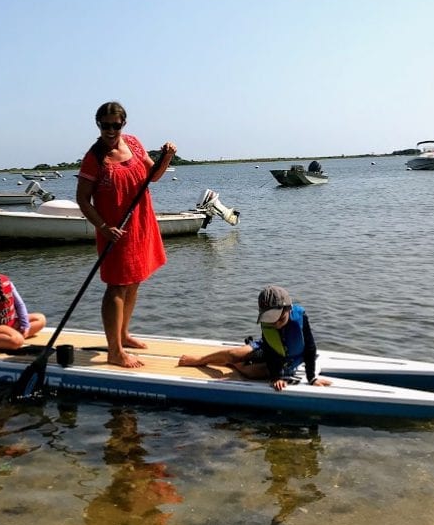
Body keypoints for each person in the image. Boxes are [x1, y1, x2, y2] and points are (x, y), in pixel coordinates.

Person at [76, 101, 176, 368]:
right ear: (98, 125)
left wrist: (166, 158)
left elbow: (152, 176)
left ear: (124, 124)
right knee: (117, 286)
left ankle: (123, 334)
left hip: (140, 223)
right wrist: (104, 228)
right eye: (105, 125)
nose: (110, 130)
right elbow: (83, 200)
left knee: (134, 281)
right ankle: (115, 351)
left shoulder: (133, 143)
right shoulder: (94, 157)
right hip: (114, 231)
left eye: (115, 125)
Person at [177, 285, 332, 391]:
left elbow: (310, 349)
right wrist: (276, 376)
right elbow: (271, 351)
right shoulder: (268, 323)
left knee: (250, 372)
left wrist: (311, 378)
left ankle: (234, 365)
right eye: (272, 320)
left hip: (291, 359)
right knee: (234, 354)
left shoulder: (300, 318)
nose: (276, 324)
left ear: (288, 309)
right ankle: (199, 360)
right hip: (270, 350)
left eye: (280, 319)